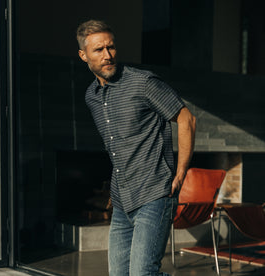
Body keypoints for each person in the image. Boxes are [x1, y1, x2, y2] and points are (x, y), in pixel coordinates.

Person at [76, 19, 196, 276]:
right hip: (121, 200)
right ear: (83, 55)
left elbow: (187, 119)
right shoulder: (92, 96)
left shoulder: (143, 83)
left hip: (154, 194)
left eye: (111, 47)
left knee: (143, 273)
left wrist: (181, 172)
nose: (108, 55)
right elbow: (117, 145)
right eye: (99, 50)